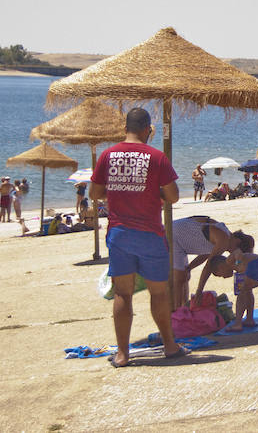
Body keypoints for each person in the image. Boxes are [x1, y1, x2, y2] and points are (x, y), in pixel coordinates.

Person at [89, 107, 186, 367]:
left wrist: (120, 190)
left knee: (123, 293)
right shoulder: (156, 157)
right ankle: (169, 345)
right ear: (148, 130)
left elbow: (95, 192)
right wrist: (154, 193)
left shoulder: (108, 155)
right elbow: (174, 195)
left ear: (125, 128)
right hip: (149, 233)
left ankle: (122, 354)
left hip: (119, 234)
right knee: (159, 293)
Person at [171, 215, 253, 310]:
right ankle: (177, 312)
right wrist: (199, 291)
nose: (233, 255)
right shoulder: (224, 239)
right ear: (237, 241)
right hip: (174, 236)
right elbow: (209, 266)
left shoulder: (223, 237)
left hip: (179, 239)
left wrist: (189, 268)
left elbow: (205, 255)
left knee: (185, 275)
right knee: (179, 278)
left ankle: (183, 309)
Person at [222, 243, 258, 331]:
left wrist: (238, 262)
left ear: (220, 267)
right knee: (248, 291)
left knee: (241, 294)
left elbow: (237, 252)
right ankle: (250, 319)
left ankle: (238, 324)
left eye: (220, 274)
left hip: (257, 265)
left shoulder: (228, 261)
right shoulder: (239, 271)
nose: (223, 277)